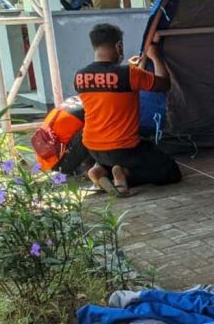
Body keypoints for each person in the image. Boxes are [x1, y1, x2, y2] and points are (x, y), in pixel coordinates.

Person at [74, 23, 180, 195]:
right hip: (124, 148)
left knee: (125, 154)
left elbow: (110, 92)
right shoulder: (129, 74)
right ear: (119, 46)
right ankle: (122, 173)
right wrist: (154, 56)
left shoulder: (79, 76)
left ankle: (99, 169)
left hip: (92, 146)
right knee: (170, 172)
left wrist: (133, 69)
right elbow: (163, 83)